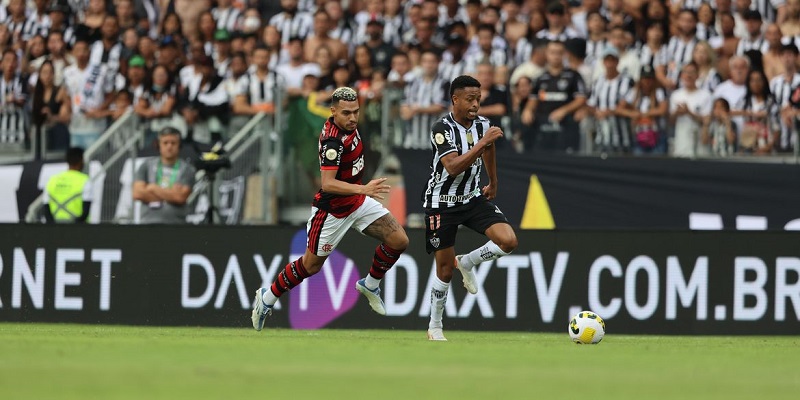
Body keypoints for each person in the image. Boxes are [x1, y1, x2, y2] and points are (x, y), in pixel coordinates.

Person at [251, 87, 409, 332]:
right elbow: (328, 183)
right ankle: (267, 297)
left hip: (357, 202)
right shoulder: (332, 141)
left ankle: (370, 284)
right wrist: (362, 190)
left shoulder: (350, 125)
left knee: (399, 240)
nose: (353, 118)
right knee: (310, 266)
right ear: (333, 111)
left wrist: (360, 192)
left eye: (356, 112)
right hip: (332, 211)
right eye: (346, 113)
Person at [423, 75, 518, 341]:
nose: (476, 104)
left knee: (508, 241)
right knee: (444, 270)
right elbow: (452, 167)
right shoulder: (441, 128)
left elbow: (489, 151)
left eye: (478, 98)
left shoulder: (483, 125)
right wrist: (482, 141)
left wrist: (493, 181)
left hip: (472, 197)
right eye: (470, 99)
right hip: (441, 204)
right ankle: (435, 326)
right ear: (455, 100)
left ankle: (468, 261)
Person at [132, 127, 196, 224]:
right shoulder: (146, 165)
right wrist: (170, 194)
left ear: (179, 145)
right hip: (147, 223)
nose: (169, 147)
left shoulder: (187, 169)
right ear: (159, 145)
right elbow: (137, 193)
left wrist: (152, 188)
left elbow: (180, 197)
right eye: (165, 143)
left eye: (173, 143)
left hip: (176, 224)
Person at [43, 147, 91, 223]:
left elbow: (46, 210)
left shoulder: (52, 180)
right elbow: (85, 212)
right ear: (81, 161)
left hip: (56, 229)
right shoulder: (85, 180)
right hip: (79, 230)